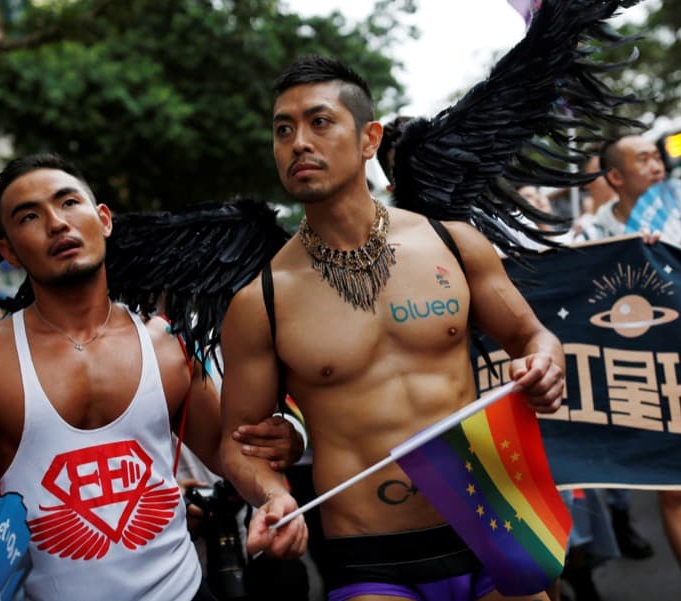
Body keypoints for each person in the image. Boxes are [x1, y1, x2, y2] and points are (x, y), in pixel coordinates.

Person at [220, 56, 565, 601]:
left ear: (368, 139)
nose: (298, 142)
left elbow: (534, 337)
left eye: (320, 121)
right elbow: (238, 445)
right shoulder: (262, 299)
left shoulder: (453, 245)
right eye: (283, 130)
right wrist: (272, 494)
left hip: (491, 524)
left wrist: (546, 363)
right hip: (369, 557)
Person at [0, 154, 299, 601]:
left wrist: (272, 496)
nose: (56, 223)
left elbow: (229, 448)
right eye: (30, 216)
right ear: (9, 251)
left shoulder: (165, 344)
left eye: (69, 202)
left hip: (183, 592)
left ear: (103, 219)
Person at [581, 135, 681, 601]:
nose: (656, 164)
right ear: (615, 177)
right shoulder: (592, 233)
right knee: (674, 491)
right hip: (645, 372)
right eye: (643, 158)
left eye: (657, 155)